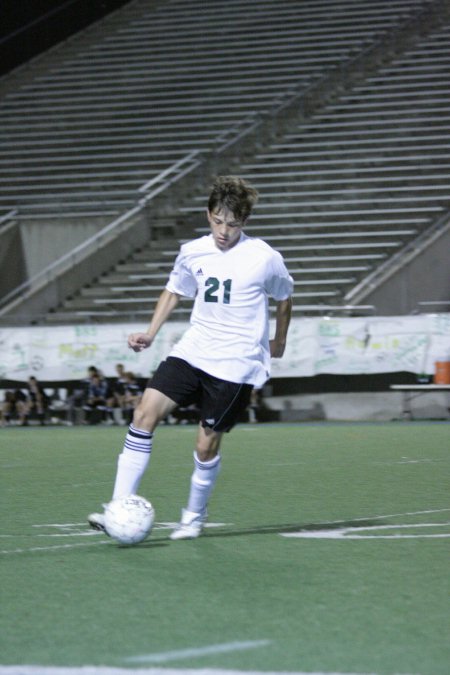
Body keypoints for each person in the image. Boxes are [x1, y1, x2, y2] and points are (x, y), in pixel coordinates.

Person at [88, 176, 293, 540]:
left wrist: (279, 339)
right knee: (143, 413)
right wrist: (150, 333)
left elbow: (285, 297)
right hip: (194, 349)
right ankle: (117, 506)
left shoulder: (265, 258)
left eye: (232, 224)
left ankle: (193, 516)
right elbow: (174, 290)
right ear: (208, 214)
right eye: (217, 220)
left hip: (236, 362)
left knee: (205, 444)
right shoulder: (193, 251)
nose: (223, 231)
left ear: (244, 222)